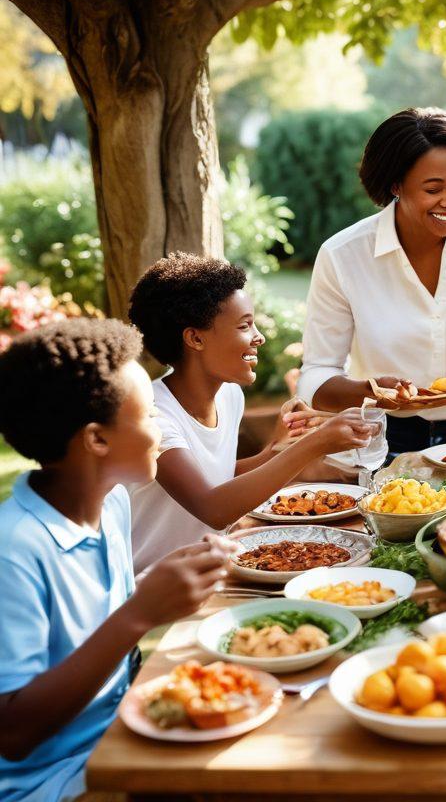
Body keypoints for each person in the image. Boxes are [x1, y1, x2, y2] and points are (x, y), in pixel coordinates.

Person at [0, 319, 232, 802]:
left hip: (124, 737)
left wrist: (173, 579)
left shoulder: (112, 504)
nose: (160, 430)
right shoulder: (14, 551)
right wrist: (140, 613)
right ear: (97, 440)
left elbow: (105, 635)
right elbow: (14, 732)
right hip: (54, 782)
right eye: (149, 416)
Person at [298, 107, 446, 455]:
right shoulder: (343, 255)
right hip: (384, 431)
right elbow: (317, 374)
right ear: (395, 186)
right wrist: (373, 390)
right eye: (433, 188)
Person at [127, 253, 375, 572]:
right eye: (245, 326)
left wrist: (276, 449)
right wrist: (313, 445)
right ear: (195, 338)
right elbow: (213, 506)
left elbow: (219, 477)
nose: (260, 336)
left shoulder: (229, 395)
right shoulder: (154, 416)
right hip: (156, 585)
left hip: (216, 566)